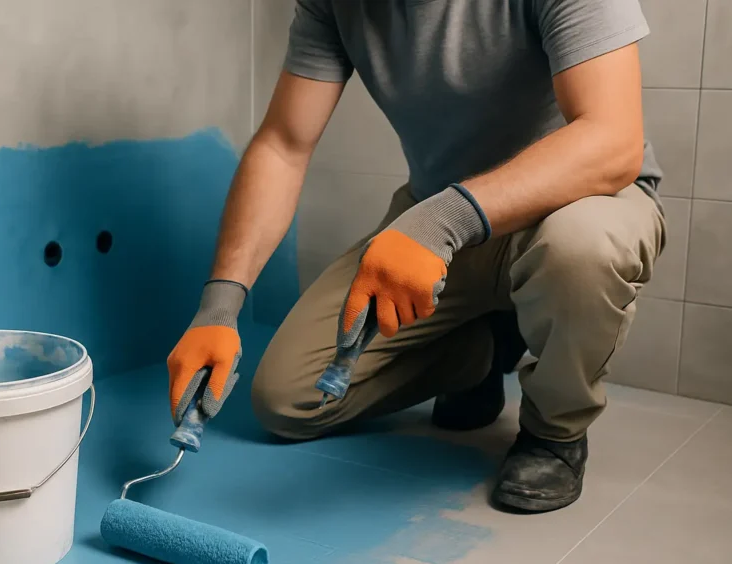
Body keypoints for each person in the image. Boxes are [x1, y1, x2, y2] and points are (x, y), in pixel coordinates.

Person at [167, 0, 665, 513]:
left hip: (576, 202)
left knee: (582, 251)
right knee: (288, 397)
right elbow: (283, 145)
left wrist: (440, 221)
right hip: (441, 212)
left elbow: (612, 139)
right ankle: (484, 353)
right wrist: (220, 306)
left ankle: (555, 433)